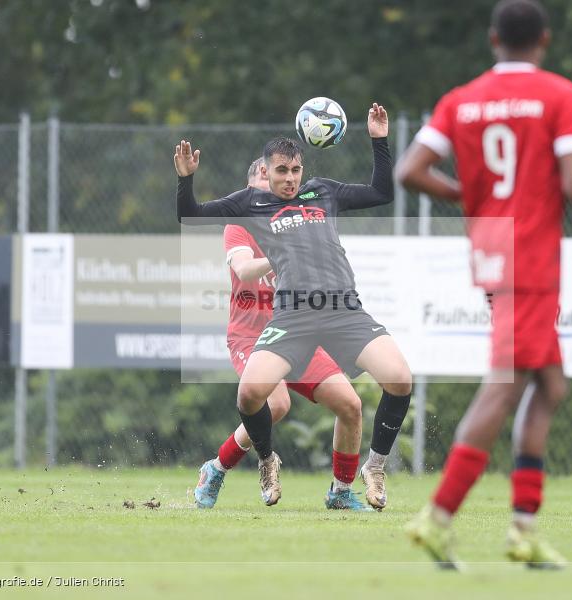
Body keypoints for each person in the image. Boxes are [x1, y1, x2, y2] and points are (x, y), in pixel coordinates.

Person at [397, 0, 572, 569]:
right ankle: (438, 518)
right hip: (533, 257)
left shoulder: (460, 101)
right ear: (543, 40)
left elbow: (409, 171)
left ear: (493, 40)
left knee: (551, 385)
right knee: (505, 385)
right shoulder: (562, 96)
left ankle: (524, 527)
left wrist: (467, 196)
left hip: (493, 248)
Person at [176, 103, 412, 510]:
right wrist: (186, 180)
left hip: (342, 310)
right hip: (293, 318)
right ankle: (266, 461)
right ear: (265, 173)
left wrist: (379, 141)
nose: (288, 178)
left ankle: (370, 469)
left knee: (398, 380)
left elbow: (381, 193)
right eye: (279, 171)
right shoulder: (251, 206)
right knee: (253, 396)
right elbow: (190, 214)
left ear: (303, 170)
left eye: (294, 170)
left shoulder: (323, 191)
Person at [192, 158, 370, 511]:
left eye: (278, 174)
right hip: (251, 338)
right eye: (263, 173)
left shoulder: (299, 219)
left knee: (350, 406)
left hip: (299, 332)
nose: (273, 179)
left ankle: (341, 492)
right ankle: (216, 469)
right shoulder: (240, 223)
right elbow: (244, 269)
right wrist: (283, 254)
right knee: (276, 403)